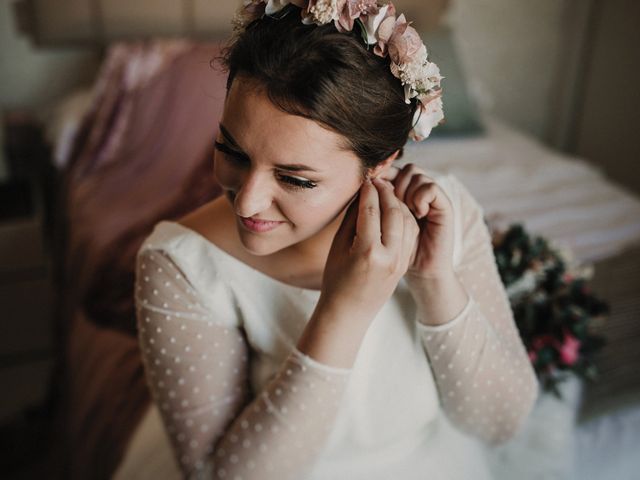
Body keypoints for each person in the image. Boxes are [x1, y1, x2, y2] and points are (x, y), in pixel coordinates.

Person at [129, 2, 539, 479]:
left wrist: (434, 280)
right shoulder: (179, 264)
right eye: (231, 151)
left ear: (381, 163)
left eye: (295, 179)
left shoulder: (445, 218)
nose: (246, 203)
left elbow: (500, 425)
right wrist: (344, 309)